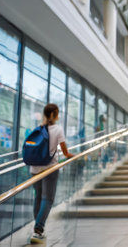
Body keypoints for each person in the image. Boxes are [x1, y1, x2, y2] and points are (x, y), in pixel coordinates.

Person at [30, 104, 75, 244]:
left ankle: (37, 230)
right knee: (47, 199)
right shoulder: (57, 129)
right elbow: (65, 151)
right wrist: (70, 155)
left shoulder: (38, 129)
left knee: (38, 198)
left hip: (34, 169)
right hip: (49, 169)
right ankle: (38, 229)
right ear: (55, 114)